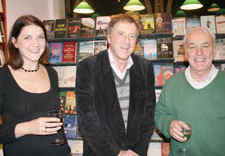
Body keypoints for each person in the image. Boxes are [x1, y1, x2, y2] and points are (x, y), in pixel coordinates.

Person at [76, 14, 156, 156]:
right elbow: (87, 120)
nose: (127, 41)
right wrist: (116, 153)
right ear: (108, 38)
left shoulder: (145, 67)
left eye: (132, 36)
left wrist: (136, 150)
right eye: (121, 34)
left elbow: (149, 115)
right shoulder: (87, 67)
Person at [0, 15, 71, 156]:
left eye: (40, 37)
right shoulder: (3, 77)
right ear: (15, 42)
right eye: (27, 38)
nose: (36, 43)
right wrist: (28, 127)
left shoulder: (51, 73)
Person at [155, 27, 225, 156]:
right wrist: (168, 124)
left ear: (214, 51)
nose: (199, 52)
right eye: (192, 47)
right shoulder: (172, 83)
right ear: (185, 53)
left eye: (205, 46)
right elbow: (159, 114)